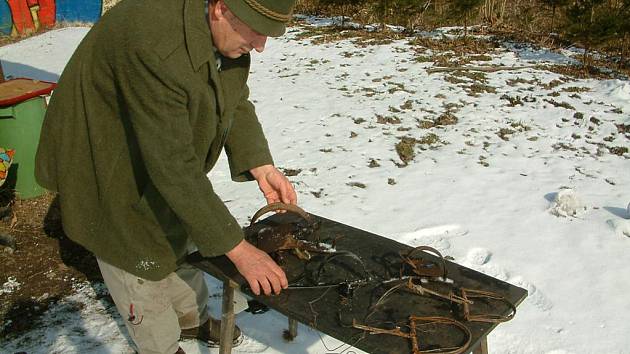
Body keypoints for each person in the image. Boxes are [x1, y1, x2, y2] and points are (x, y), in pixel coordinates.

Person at [35, 0, 298, 353]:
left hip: (157, 139)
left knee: (180, 232)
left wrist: (260, 164)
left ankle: (191, 319)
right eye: (256, 31)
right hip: (104, 147)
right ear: (221, 8)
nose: (262, 46)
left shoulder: (223, 30)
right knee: (137, 256)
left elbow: (233, 99)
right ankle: (160, 344)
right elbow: (173, 167)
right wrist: (238, 249)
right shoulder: (156, 44)